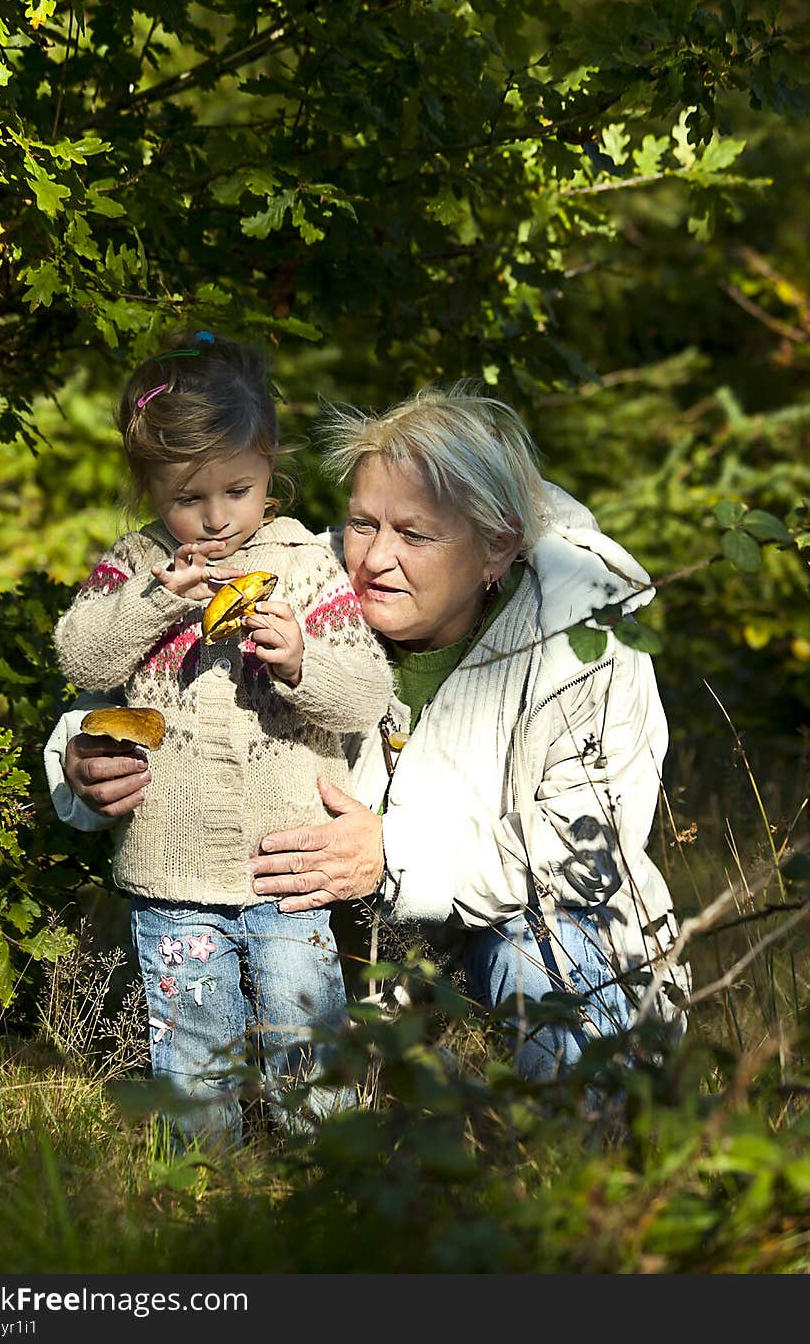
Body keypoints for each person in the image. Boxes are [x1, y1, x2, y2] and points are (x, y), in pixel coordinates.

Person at [49, 381, 689, 1089]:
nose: (376, 558)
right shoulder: (299, 576)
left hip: (520, 929)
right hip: (333, 946)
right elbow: (126, 689)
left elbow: (585, 845)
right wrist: (81, 763)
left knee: (543, 953)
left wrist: (393, 854)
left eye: (415, 535)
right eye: (362, 524)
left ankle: (574, 1168)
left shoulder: (580, 634)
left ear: (496, 547)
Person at [47, 331, 392, 1146]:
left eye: (238, 488)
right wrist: (156, 601)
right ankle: (202, 1183)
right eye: (186, 498)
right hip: (173, 874)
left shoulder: (302, 564)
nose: (215, 518)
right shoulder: (138, 566)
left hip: (289, 870)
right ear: (149, 490)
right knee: (193, 1049)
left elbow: (367, 691)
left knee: (306, 1042)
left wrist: (302, 662)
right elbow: (81, 653)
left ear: (269, 464)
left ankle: (326, 1173)